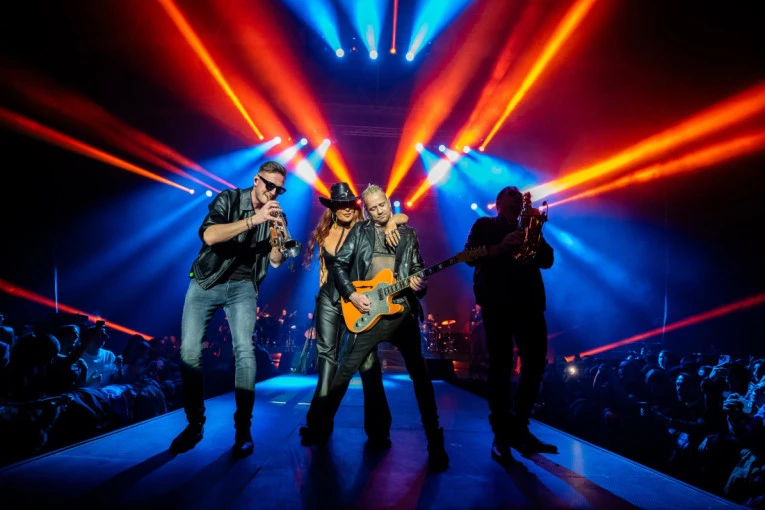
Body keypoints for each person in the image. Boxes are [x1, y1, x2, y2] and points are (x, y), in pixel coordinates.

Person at [302, 184, 449, 472]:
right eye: (373, 208)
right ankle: (319, 427)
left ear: (388, 202)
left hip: (401, 313)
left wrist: (420, 284)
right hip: (368, 313)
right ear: (367, 211)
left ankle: (435, 441)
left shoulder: (408, 234)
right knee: (343, 374)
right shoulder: (360, 231)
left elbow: (417, 269)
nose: (380, 210)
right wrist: (352, 295)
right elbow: (339, 266)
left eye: (382, 204)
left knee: (421, 377)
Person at [169, 160, 289, 458]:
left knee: (245, 352)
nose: (273, 192)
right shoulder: (229, 198)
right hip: (207, 281)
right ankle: (194, 424)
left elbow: (276, 261)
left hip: (243, 287)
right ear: (257, 180)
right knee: (189, 352)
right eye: (270, 185)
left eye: (279, 189)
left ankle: (243, 429)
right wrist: (254, 220)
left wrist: (278, 234)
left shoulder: (275, 213)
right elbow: (209, 236)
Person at [298, 182, 407, 449]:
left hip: (360, 301)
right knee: (326, 360)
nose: (346, 208)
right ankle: (318, 423)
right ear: (332, 208)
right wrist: (320, 303)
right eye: (340, 204)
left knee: (367, 361)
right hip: (329, 299)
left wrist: (392, 223)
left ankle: (378, 429)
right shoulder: (324, 234)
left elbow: (402, 217)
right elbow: (325, 272)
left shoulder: (366, 228)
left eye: (350, 203)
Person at [463, 185, 557, 467]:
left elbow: (548, 260)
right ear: (499, 204)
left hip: (530, 304)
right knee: (501, 368)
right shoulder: (485, 225)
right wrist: (500, 247)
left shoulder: (529, 228)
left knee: (535, 366)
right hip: (497, 304)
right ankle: (501, 435)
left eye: (520, 198)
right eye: (511, 196)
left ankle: (519, 426)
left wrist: (534, 237)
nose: (517, 198)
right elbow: (468, 256)